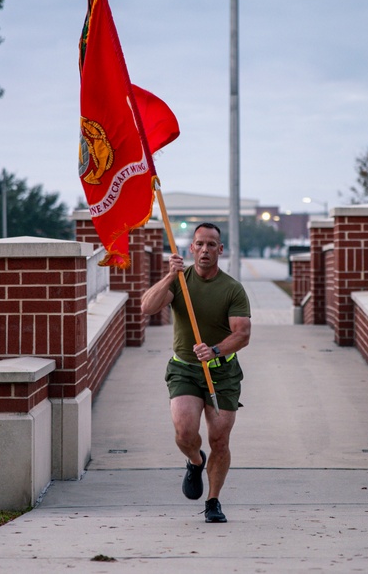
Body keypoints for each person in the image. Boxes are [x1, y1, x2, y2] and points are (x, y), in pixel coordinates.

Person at [140, 222, 251, 523]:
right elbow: (147, 307)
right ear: (191, 248)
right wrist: (168, 275)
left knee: (219, 440)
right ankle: (194, 460)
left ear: (220, 249)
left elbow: (242, 334)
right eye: (199, 244)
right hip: (184, 369)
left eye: (211, 244)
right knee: (185, 432)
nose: (205, 250)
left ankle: (213, 501)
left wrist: (215, 350)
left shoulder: (232, 288)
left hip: (222, 373)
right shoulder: (179, 281)